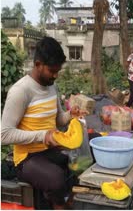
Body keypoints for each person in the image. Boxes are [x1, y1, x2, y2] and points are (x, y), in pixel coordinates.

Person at [1, 37, 87, 209]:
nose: (55, 76)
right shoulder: (21, 91)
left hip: (50, 149)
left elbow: (57, 120)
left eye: (58, 71)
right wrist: (42, 136)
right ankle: (60, 206)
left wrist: (71, 115)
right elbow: (4, 134)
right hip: (27, 158)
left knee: (84, 155)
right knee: (56, 179)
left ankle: (67, 199)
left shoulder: (51, 87)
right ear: (38, 64)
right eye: (52, 71)